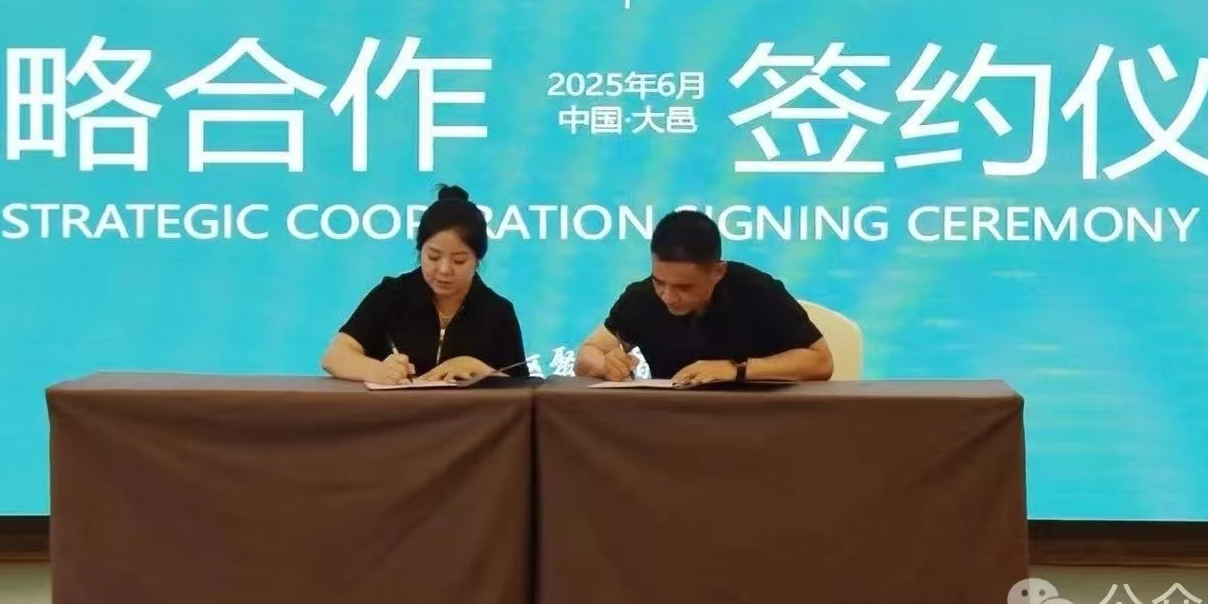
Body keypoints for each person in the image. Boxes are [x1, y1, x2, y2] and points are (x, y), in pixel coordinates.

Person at [575, 210, 833, 385]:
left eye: (684, 287)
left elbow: (820, 362)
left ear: (717, 272)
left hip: (758, 421)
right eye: (659, 282)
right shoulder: (641, 297)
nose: (668, 297)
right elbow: (588, 353)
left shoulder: (756, 289)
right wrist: (605, 365)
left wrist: (736, 369)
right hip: (671, 423)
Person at [321, 185, 529, 385]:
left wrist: (477, 368)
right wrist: (378, 371)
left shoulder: (498, 312)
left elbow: (522, 389)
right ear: (420, 250)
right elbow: (335, 356)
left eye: (459, 261)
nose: (444, 269)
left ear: (478, 259)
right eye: (433, 257)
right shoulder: (392, 295)